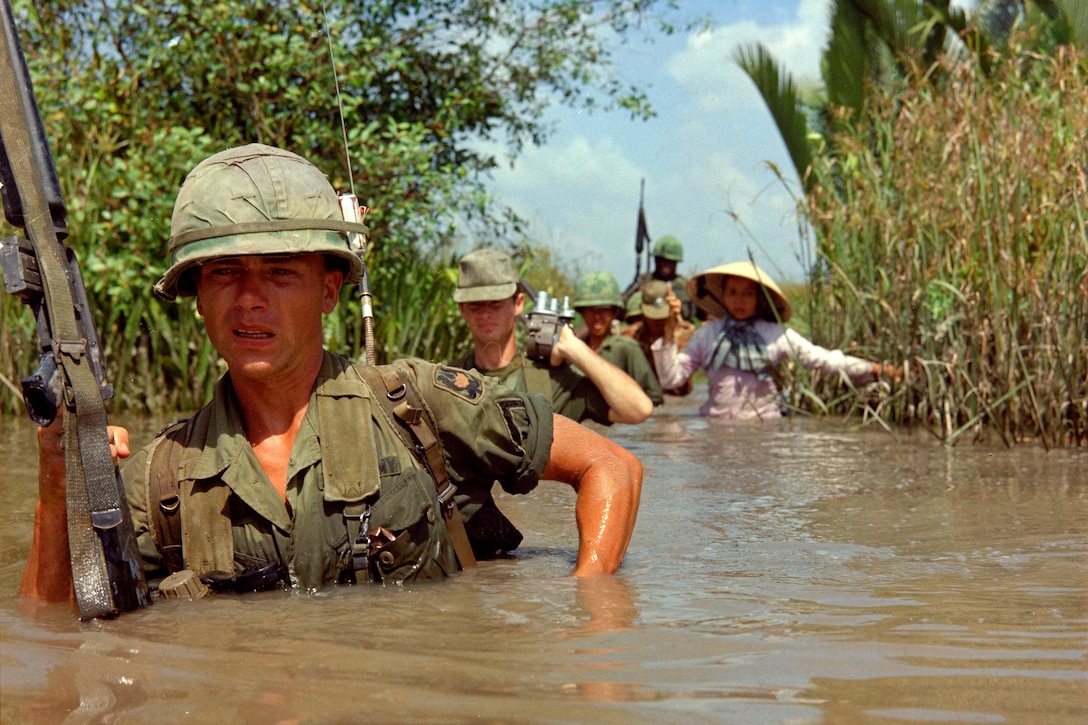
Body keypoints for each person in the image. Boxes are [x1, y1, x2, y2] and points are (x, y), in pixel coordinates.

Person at [20, 144, 643, 605]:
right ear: (198, 298)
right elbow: (50, 631)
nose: (250, 298)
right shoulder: (161, 479)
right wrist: (57, 484)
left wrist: (594, 615)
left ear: (330, 290)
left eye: (281, 272)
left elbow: (612, 465)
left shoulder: (416, 406)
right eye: (223, 274)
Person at [652, 261, 897, 419]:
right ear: (723, 296)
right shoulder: (708, 334)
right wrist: (667, 331)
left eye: (748, 293)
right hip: (715, 427)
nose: (740, 300)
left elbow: (821, 359)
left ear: (759, 299)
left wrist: (874, 369)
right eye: (733, 292)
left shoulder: (775, 335)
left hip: (764, 427)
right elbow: (670, 378)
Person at [451, 249, 653, 426]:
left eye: (496, 303)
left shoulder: (554, 380)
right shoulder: (447, 379)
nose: (485, 313)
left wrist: (574, 348)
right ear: (462, 309)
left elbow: (638, 410)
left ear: (518, 303)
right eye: (475, 304)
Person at [572, 271, 663, 406]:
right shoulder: (574, 348)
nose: (597, 317)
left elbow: (654, 397)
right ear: (582, 312)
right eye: (591, 310)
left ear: (614, 312)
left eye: (603, 310)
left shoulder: (627, 348)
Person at [621, 280, 696, 397]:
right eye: (653, 315)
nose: (657, 321)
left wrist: (670, 330)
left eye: (661, 315)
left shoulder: (686, 335)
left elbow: (680, 387)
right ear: (642, 309)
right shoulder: (628, 338)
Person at [622, 235, 695, 321]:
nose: (667, 266)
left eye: (671, 262)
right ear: (656, 260)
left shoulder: (685, 286)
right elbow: (623, 305)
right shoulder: (643, 281)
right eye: (663, 261)